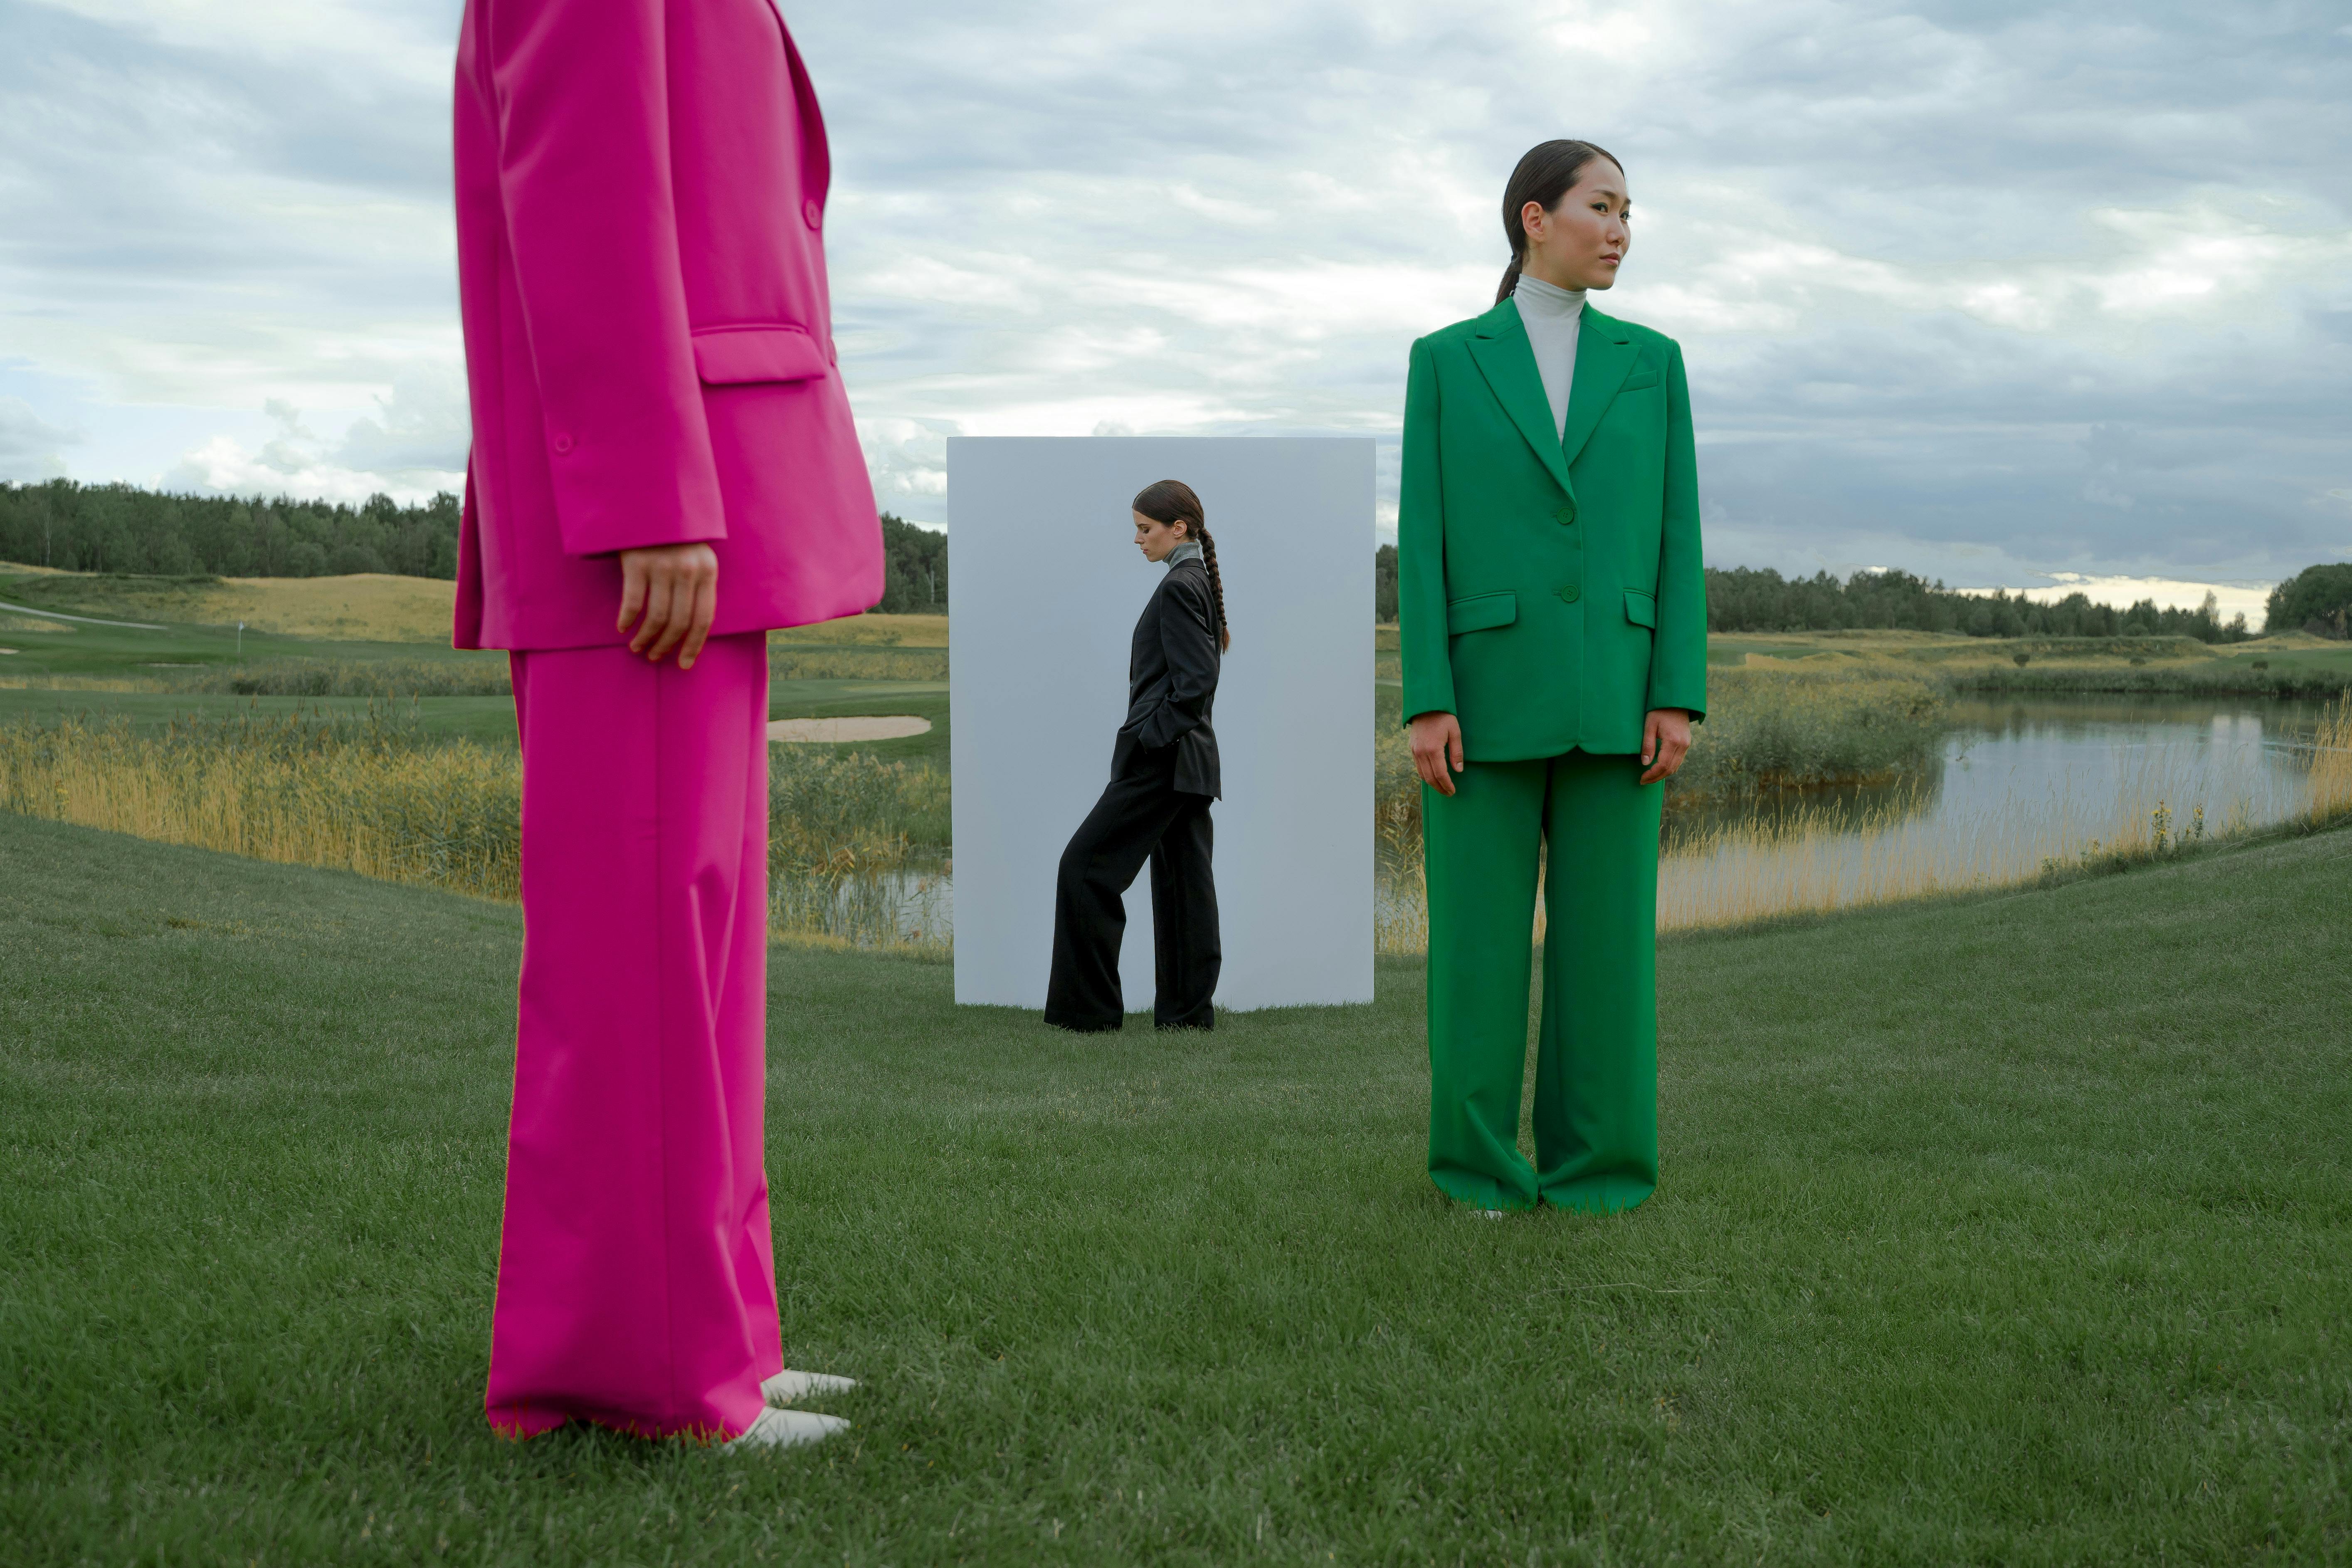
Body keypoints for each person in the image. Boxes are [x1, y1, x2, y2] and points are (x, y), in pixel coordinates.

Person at [451, 0, 878, 1447]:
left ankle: (721, 1339)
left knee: (697, 953)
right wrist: (648, 493)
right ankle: (652, 1379)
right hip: (640, 521)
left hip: (702, 497)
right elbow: (577, 186)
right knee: (639, 961)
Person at [1397, 140, 1708, 1215]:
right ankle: (1477, 1166)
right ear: (1535, 217)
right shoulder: (1445, 359)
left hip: (1624, 701)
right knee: (1476, 953)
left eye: (1629, 211)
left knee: (1609, 957)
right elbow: (1425, 536)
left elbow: (1677, 537)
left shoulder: (1653, 361)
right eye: (1602, 205)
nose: (1620, 228)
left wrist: (1676, 689)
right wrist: (1425, 696)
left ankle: (1600, 1166)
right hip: (1479, 701)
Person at [1045, 480, 1229, 1033]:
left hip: (1166, 759)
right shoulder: (1196, 580)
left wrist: (1149, 737)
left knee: (1083, 870)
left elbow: (1197, 681)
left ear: (1179, 529)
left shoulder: (1180, 584)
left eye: (1144, 528)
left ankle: (1088, 1015)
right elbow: (1197, 680)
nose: (1136, 539)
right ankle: (1186, 1018)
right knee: (1184, 891)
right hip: (1190, 763)